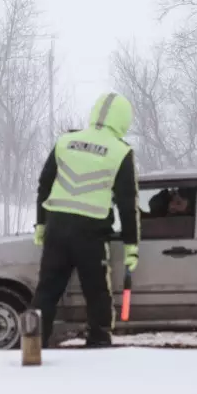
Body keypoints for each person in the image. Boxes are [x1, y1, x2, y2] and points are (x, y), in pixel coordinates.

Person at [31, 91, 140, 348]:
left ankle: (33, 343)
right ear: (124, 120)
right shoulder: (120, 151)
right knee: (96, 292)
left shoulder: (65, 141)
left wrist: (41, 223)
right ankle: (98, 341)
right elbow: (127, 203)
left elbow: (44, 184)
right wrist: (131, 245)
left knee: (46, 291)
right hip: (90, 232)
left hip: (56, 229)